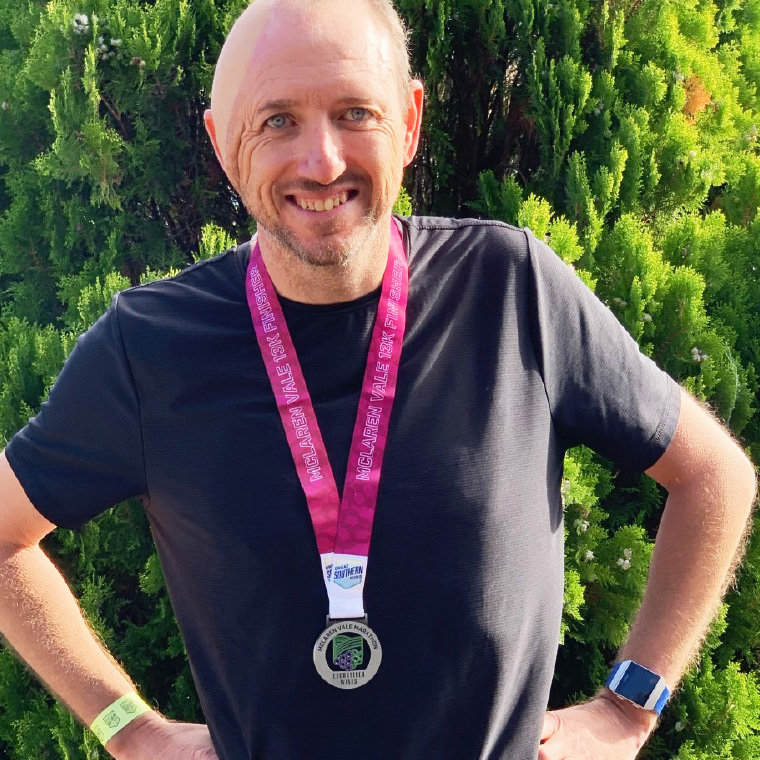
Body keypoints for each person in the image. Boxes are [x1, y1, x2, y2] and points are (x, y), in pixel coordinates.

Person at [0, 0, 755, 758]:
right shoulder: (149, 349)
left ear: (409, 122)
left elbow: (714, 477)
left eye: (354, 111)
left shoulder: (510, 288)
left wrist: (630, 706)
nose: (321, 161)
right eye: (276, 121)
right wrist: (128, 731)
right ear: (222, 146)